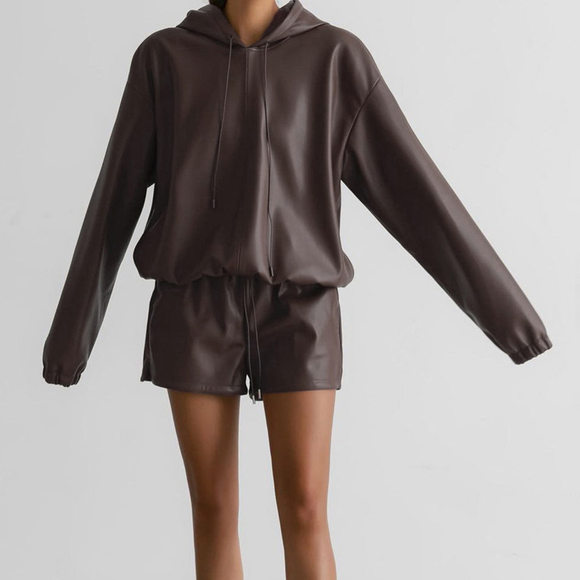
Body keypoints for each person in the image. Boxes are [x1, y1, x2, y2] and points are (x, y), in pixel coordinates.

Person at [42, 0, 553, 577]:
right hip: (193, 309)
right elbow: (114, 197)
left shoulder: (336, 58)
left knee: (306, 511)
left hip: (302, 310)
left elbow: (416, 193)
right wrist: (69, 341)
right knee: (212, 512)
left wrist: (512, 321)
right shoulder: (164, 58)